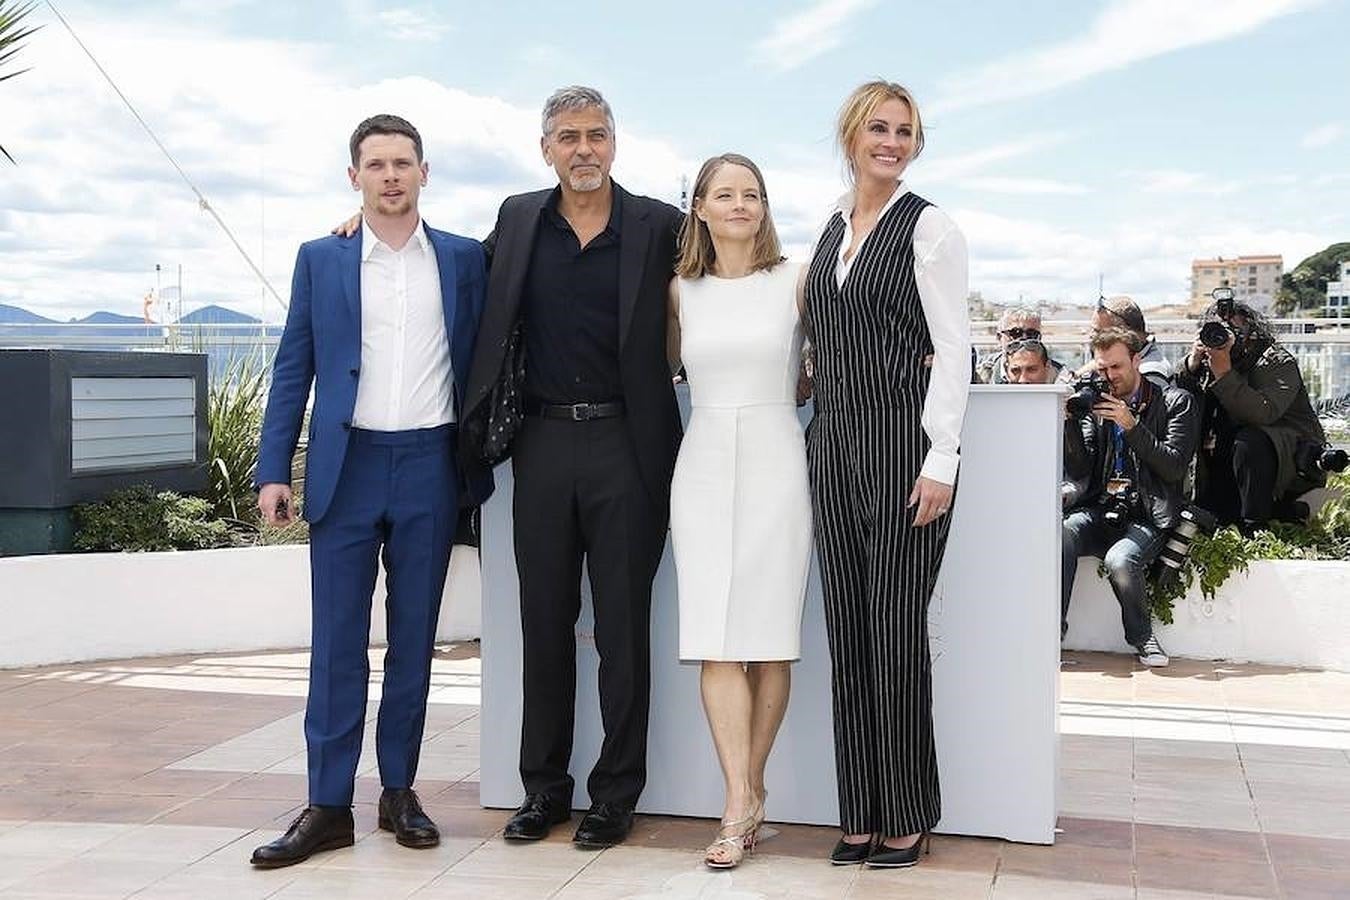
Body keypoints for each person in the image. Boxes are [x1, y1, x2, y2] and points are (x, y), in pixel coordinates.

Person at [250, 115, 487, 868]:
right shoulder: (321, 258)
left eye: (403, 163)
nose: (390, 175)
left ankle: (399, 793)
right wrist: (270, 470)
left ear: (425, 172)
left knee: (416, 640)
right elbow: (295, 367)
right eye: (376, 164)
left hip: (430, 466)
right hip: (345, 472)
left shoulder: (464, 260)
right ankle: (326, 806)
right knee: (337, 647)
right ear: (353, 176)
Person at [456, 86, 684, 848]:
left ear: (615, 143)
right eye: (566, 137)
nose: (582, 149)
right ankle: (543, 791)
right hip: (542, 447)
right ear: (545, 149)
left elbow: (741, 267)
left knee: (623, 631)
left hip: (630, 447)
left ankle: (615, 796)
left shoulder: (659, 224)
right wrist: (371, 230)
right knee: (542, 626)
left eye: (595, 135)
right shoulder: (519, 217)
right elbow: (459, 276)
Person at [803, 80, 971, 869]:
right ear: (850, 135)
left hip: (905, 447)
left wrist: (943, 457)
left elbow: (954, 347)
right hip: (830, 445)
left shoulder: (928, 226)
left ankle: (906, 813)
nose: (893, 142)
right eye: (879, 127)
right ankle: (860, 811)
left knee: (896, 633)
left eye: (905, 130)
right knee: (847, 634)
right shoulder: (833, 225)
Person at [666, 154, 810, 869]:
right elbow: (658, 370)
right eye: (725, 194)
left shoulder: (797, 277)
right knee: (716, 636)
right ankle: (738, 800)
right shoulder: (678, 292)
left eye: (752, 193)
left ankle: (750, 795)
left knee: (769, 637)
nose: (740, 204)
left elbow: (828, 363)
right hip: (703, 463)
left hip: (779, 457)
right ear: (698, 206)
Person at [1061, 328, 1198, 668]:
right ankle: (1050, 634)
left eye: (1116, 368)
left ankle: (1141, 637)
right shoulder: (1099, 402)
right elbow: (1083, 466)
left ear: (1137, 360)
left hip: (1148, 514)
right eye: (1102, 369)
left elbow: (1173, 467)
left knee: (1120, 561)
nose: (1108, 377)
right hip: (1102, 508)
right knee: (1062, 533)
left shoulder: (1176, 402)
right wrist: (1068, 424)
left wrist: (1131, 424)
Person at [1175, 300, 1328, 530]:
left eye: (1233, 332)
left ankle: (1254, 527)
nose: (1225, 340)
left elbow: (1262, 413)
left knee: (1249, 440)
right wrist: (1192, 363)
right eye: (1216, 331)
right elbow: (1179, 402)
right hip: (1227, 462)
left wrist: (1224, 373)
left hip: (1287, 464)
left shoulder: (1276, 362)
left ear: (1252, 333)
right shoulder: (1209, 360)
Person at [1078, 295, 1172, 386]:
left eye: (1099, 332)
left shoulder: (1150, 375)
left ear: (1125, 335)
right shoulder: (1126, 358)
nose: (1092, 336)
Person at [976, 307, 1060, 383]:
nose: (1023, 339)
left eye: (1032, 334)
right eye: (1016, 333)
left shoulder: (1057, 373)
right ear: (999, 338)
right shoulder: (979, 371)